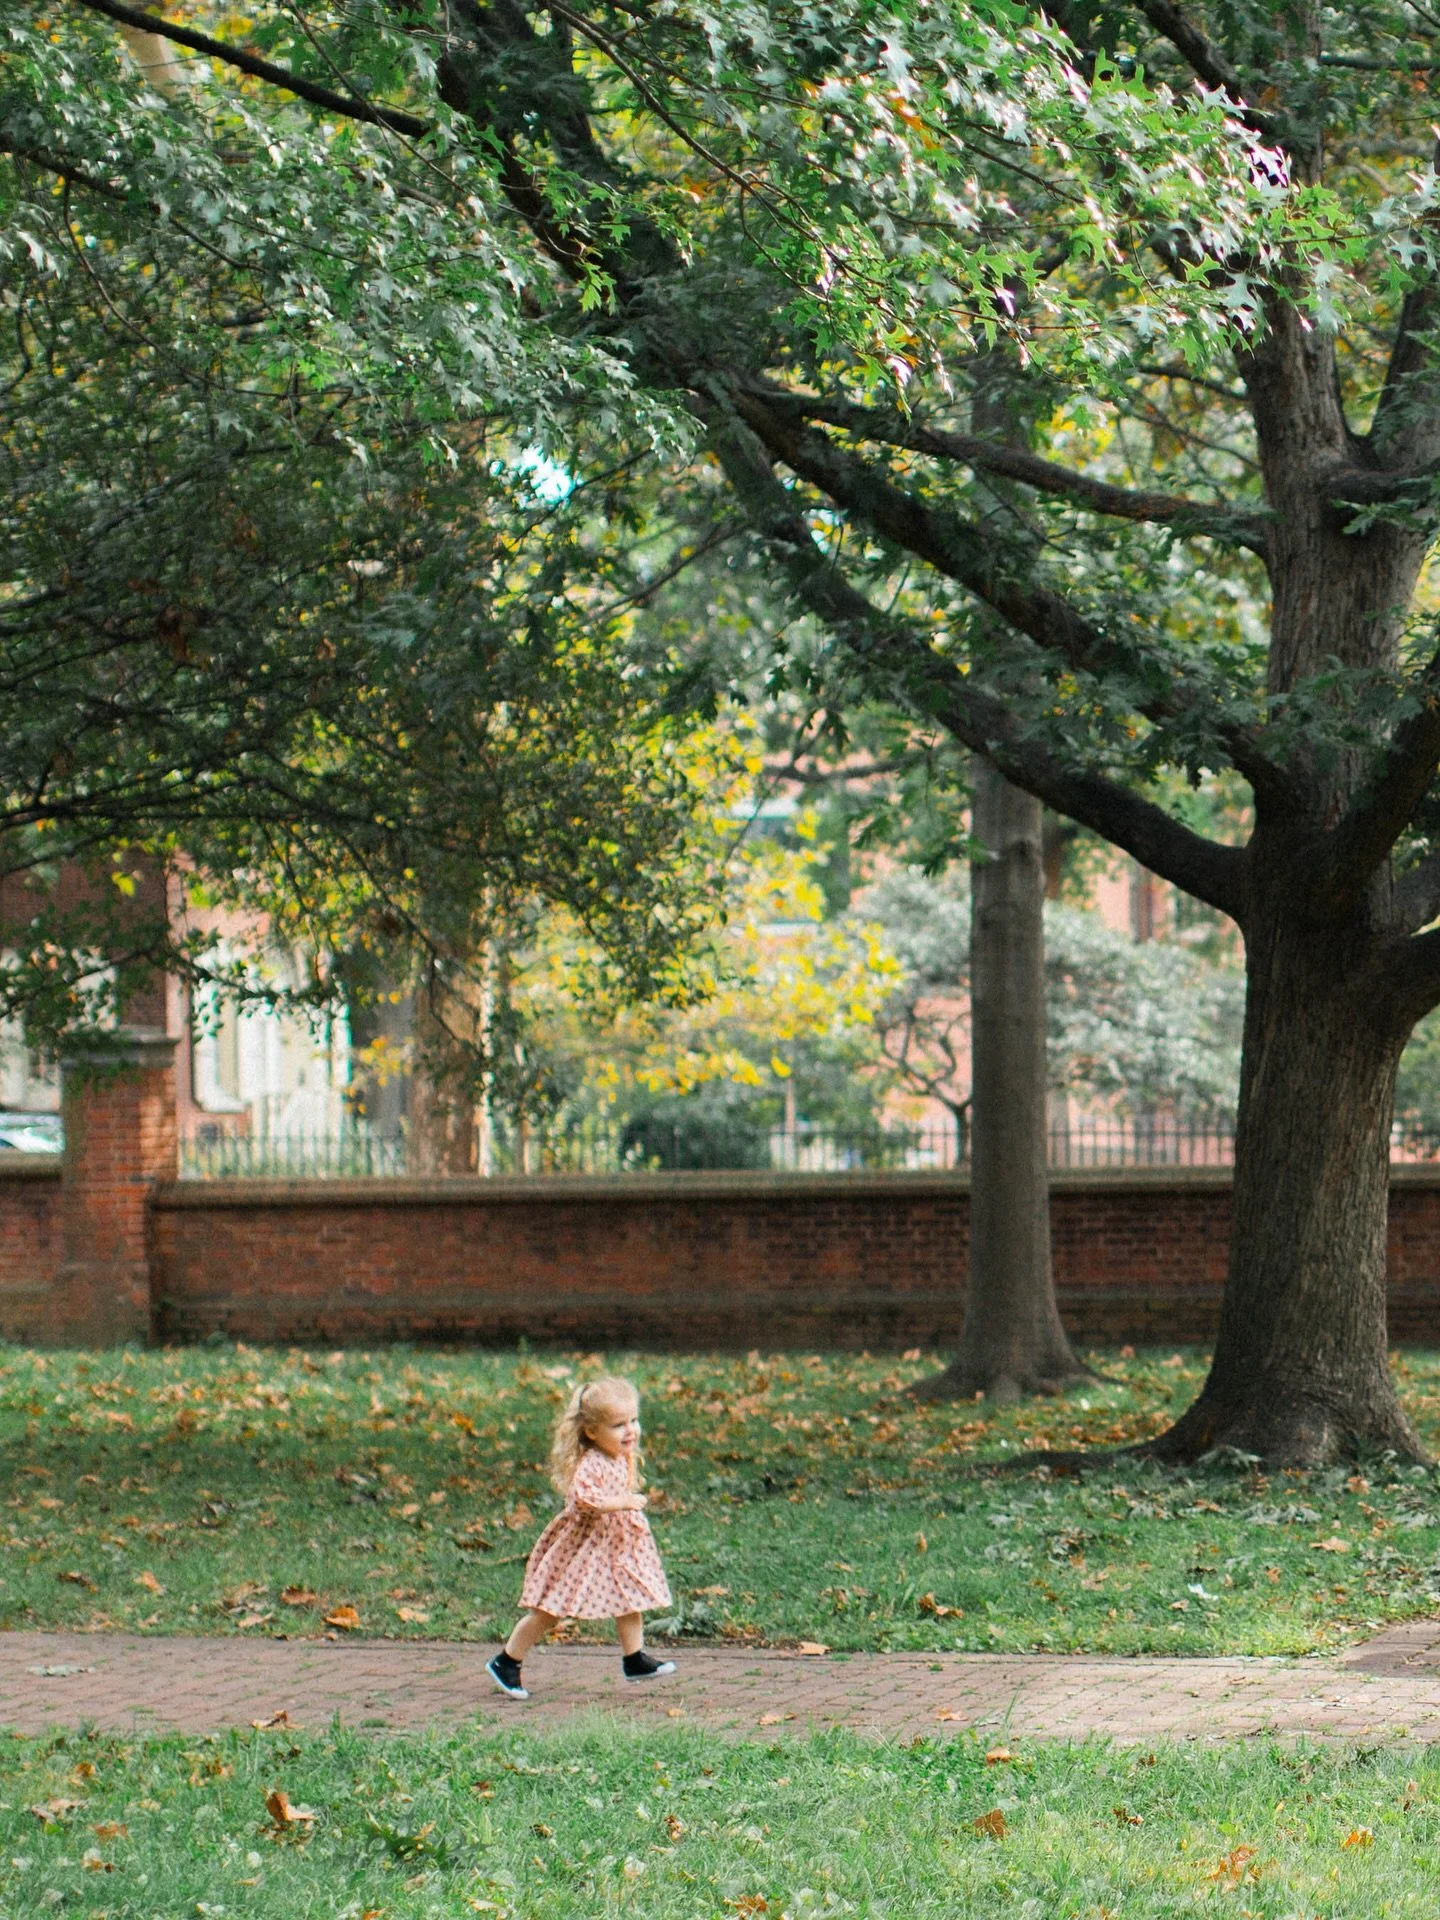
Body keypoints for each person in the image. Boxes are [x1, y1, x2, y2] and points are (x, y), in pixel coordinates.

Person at [487, 1374, 676, 1699]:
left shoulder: (619, 1455)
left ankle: (634, 1658)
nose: (630, 1430)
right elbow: (582, 1499)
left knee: (631, 1597)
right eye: (619, 1425)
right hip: (583, 1547)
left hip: (615, 1546)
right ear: (591, 1431)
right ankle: (507, 1660)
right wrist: (622, 1502)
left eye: (634, 1420)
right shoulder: (592, 1462)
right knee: (551, 1608)